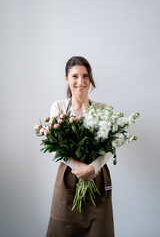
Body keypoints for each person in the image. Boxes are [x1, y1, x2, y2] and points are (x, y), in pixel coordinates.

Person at [46, 56, 114, 237]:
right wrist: (80, 168)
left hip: (97, 177)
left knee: (100, 230)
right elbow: (55, 146)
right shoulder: (59, 107)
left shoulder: (103, 109)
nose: (80, 81)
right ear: (66, 78)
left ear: (90, 78)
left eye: (85, 76)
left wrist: (93, 167)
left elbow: (110, 147)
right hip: (69, 175)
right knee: (63, 229)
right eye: (75, 76)